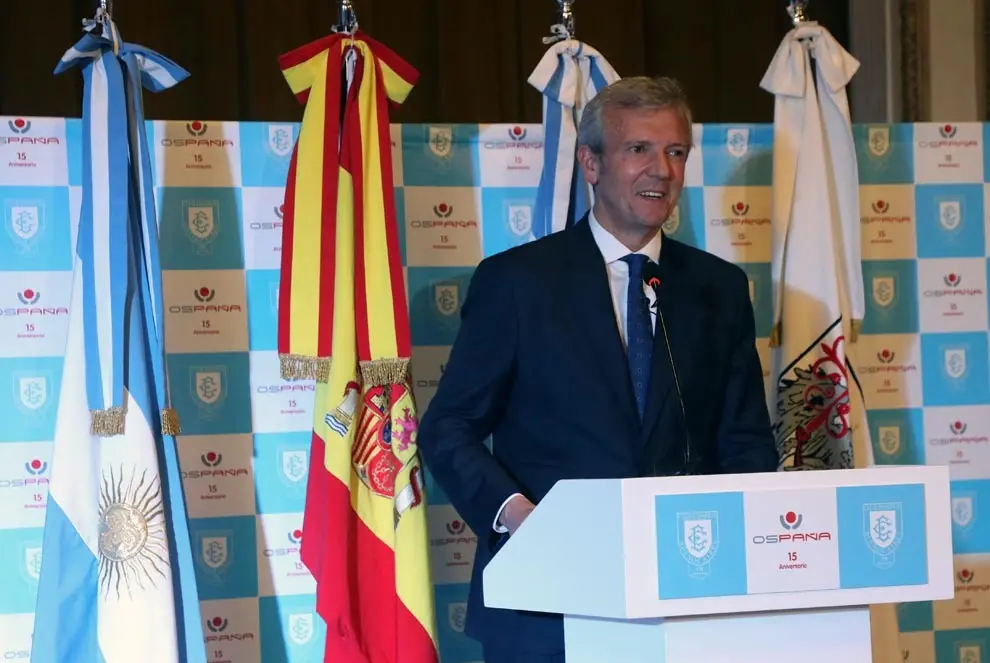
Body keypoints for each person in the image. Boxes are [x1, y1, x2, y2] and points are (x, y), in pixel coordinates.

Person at [416, 76, 779, 663]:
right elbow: (447, 426)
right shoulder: (517, 282)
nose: (660, 169)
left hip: (686, 598)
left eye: (675, 151)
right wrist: (517, 516)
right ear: (590, 162)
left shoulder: (719, 289)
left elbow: (745, 443)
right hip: (548, 601)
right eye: (638, 149)